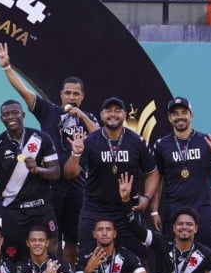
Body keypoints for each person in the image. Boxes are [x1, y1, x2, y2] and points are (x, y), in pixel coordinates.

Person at [0, 42, 99, 265]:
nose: (71, 97)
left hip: (77, 187)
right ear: (61, 95)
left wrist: (81, 116)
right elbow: (24, 92)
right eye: (67, 93)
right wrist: (6, 68)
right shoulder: (48, 111)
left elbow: (101, 138)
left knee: (73, 241)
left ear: (82, 97)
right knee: (51, 239)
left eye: (76, 94)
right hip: (50, 187)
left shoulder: (88, 118)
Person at [65, 97, 159, 259]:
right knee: (87, 257)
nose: (113, 114)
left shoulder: (137, 141)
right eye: (108, 111)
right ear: (101, 115)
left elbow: (152, 172)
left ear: (124, 115)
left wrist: (147, 198)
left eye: (117, 111)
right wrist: (75, 154)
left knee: (138, 257)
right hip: (95, 209)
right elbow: (70, 174)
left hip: (127, 209)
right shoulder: (90, 141)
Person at [0, 100, 58, 262]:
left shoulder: (41, 138)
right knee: (13, 257)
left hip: (41, 208)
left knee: (50, 251)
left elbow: (56, 172)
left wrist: (38, 169)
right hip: (14, 212)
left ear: (22, 115)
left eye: (15, 113)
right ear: (1, 118)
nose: (11, 117)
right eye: (6, 114)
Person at [150, 97, 211, 248]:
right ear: (169, 118)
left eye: (184, 112)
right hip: (173, 209)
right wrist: (154, 211)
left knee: (205, 254)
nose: (180, 117)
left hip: (202, 209)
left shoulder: (206, 140)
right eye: (175, 113)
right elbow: (158, 178)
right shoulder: (161, 144)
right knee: (171, 256)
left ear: (191, 116)